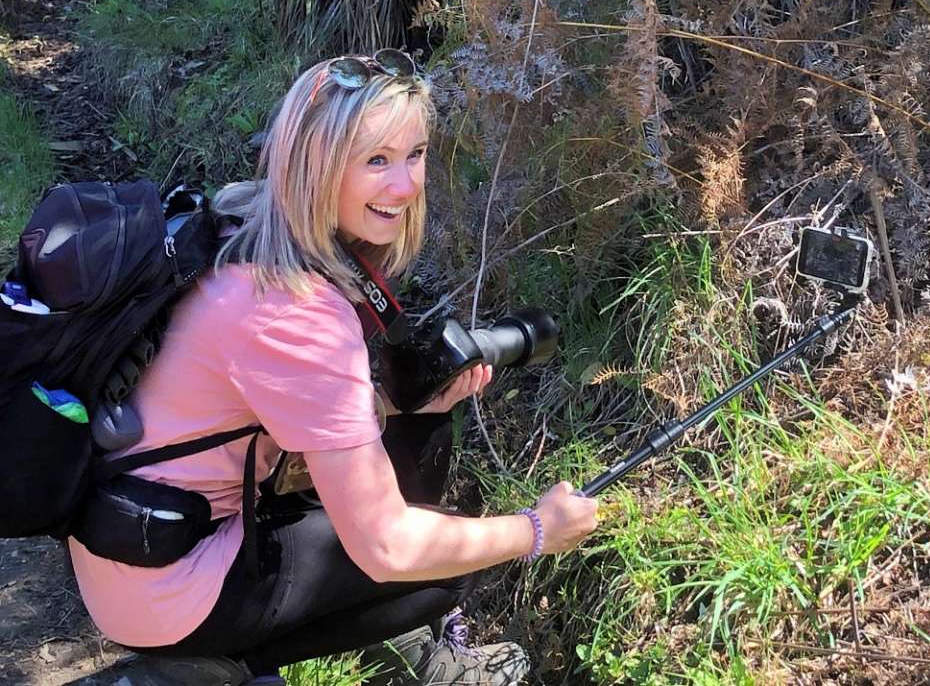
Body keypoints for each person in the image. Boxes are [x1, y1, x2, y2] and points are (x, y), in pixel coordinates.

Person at [69, 52, 599, 686]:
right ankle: (197, 672)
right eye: (375, 160)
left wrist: (413, 411)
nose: (405, 186)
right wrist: (537, 530)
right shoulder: (297, 311)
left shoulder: (240, 224)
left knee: (399, 497)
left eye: (415, 153)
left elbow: (278, 420)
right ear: (317, 165)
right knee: (449, 557)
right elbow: (388, 546)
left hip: (131, 545)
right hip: (167, 590)